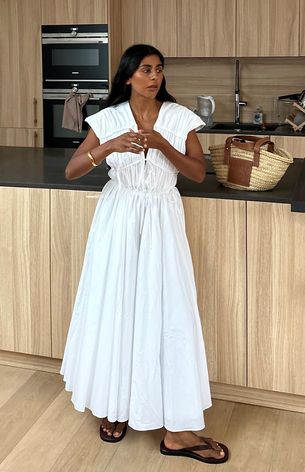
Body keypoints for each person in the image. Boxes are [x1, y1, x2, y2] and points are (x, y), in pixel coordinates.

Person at [61, 44, 229, 465]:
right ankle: (114, 405)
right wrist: (110, 146)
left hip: (161, 220)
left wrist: (161, 145)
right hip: (117, 219)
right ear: (127, 77)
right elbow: (73, 168)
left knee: (166, 309)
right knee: (114, 305)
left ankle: (175, 426)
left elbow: (196, 172)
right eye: (145, 70)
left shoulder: (178, 118)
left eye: (159, 69)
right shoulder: (108, 119)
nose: (154, 77)